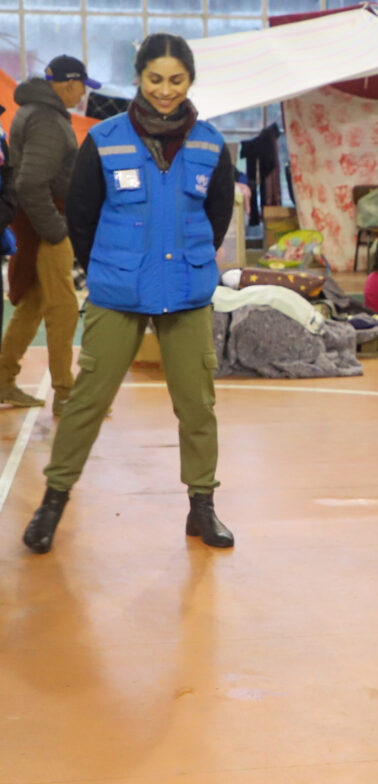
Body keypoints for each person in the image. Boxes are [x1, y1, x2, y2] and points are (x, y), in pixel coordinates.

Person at [22, 35, 236, 555]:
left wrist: (191, 261)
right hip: (118, 292)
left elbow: (218, 216)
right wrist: (111, 268)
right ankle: (53, 500)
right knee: (87, 400)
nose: (165, 91)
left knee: (197, 405)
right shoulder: (105, 139)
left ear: (190, 81)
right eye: (155, 79)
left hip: (186, 291)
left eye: (176, 80)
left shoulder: (210, 144)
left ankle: (202, 505)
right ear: (139, 78)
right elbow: (83, 214)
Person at [0, 55, 98, 415]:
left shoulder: (37, 112)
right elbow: (30, 182)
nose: (83, 94)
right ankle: (66, 393)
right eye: (83, 86)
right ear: (70, 84)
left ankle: (4, 380)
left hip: (36, 221)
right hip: (47, 222)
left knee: (34, 304)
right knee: (64, 308)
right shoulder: (46, 119)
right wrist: (56, 230)